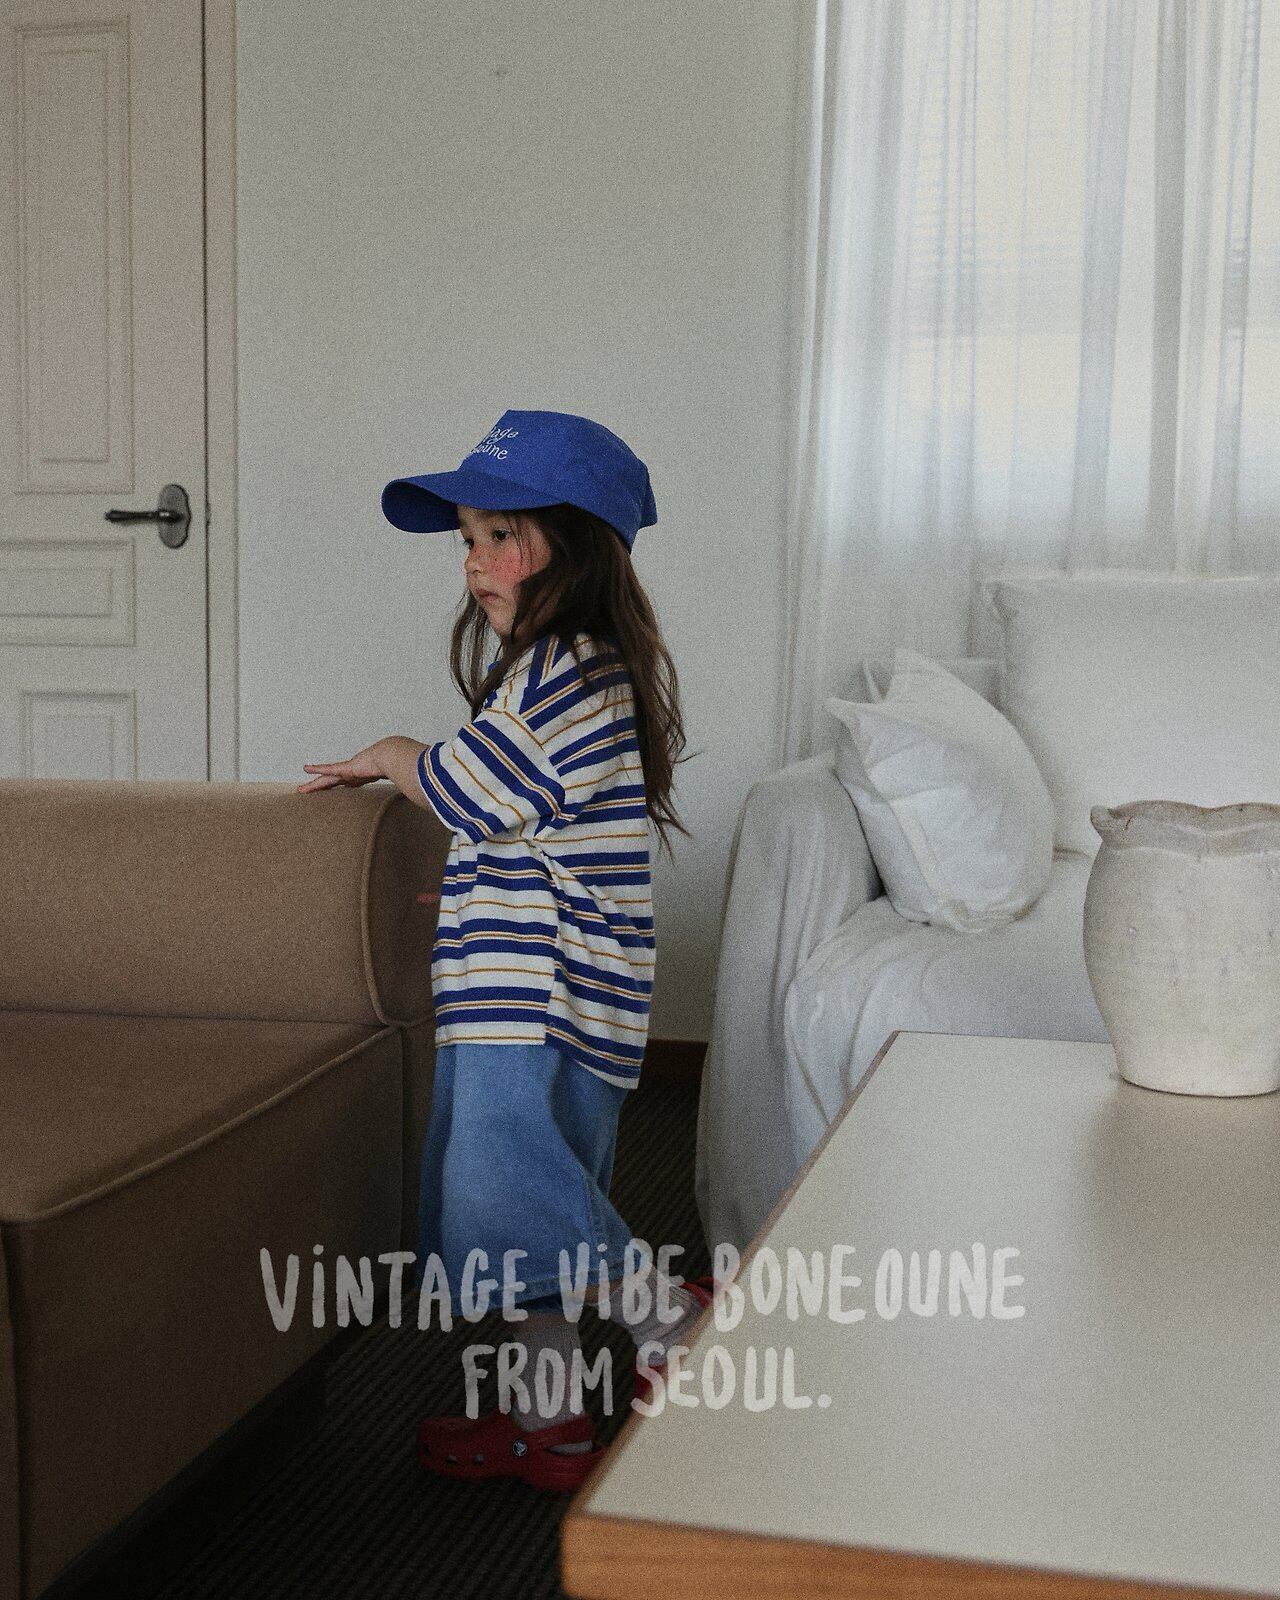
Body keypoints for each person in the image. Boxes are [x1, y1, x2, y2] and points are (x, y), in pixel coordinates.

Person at [298, 410, 710, 1490]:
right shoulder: (550, 673)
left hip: (545, 1000)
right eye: (467, 539)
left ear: (581, 551)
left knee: (505, 1190)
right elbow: (523, 825)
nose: (475, 563)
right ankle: (548, 1421)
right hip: (519, 986)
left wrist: (393, 752)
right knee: (526, 1218)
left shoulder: (574, 669)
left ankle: (673, 1321)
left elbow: (473, 786)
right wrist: (472, 886)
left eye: (501, 537)